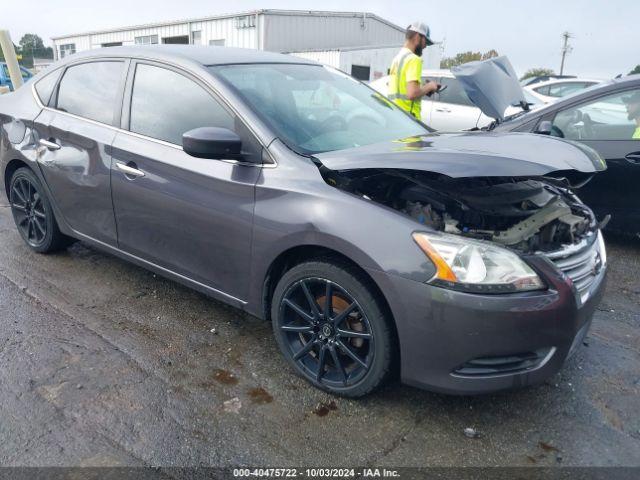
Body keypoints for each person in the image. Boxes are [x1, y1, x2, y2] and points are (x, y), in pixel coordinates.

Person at [388, 22, 440, 120]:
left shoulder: (397, 59)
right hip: (409, 119)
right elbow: (412, 93)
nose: (425, 46)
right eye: (426, 41)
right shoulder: (414, 59)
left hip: (395, 116)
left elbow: (402, 89)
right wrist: (430, 86)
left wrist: (423, 88)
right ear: (417, 36)